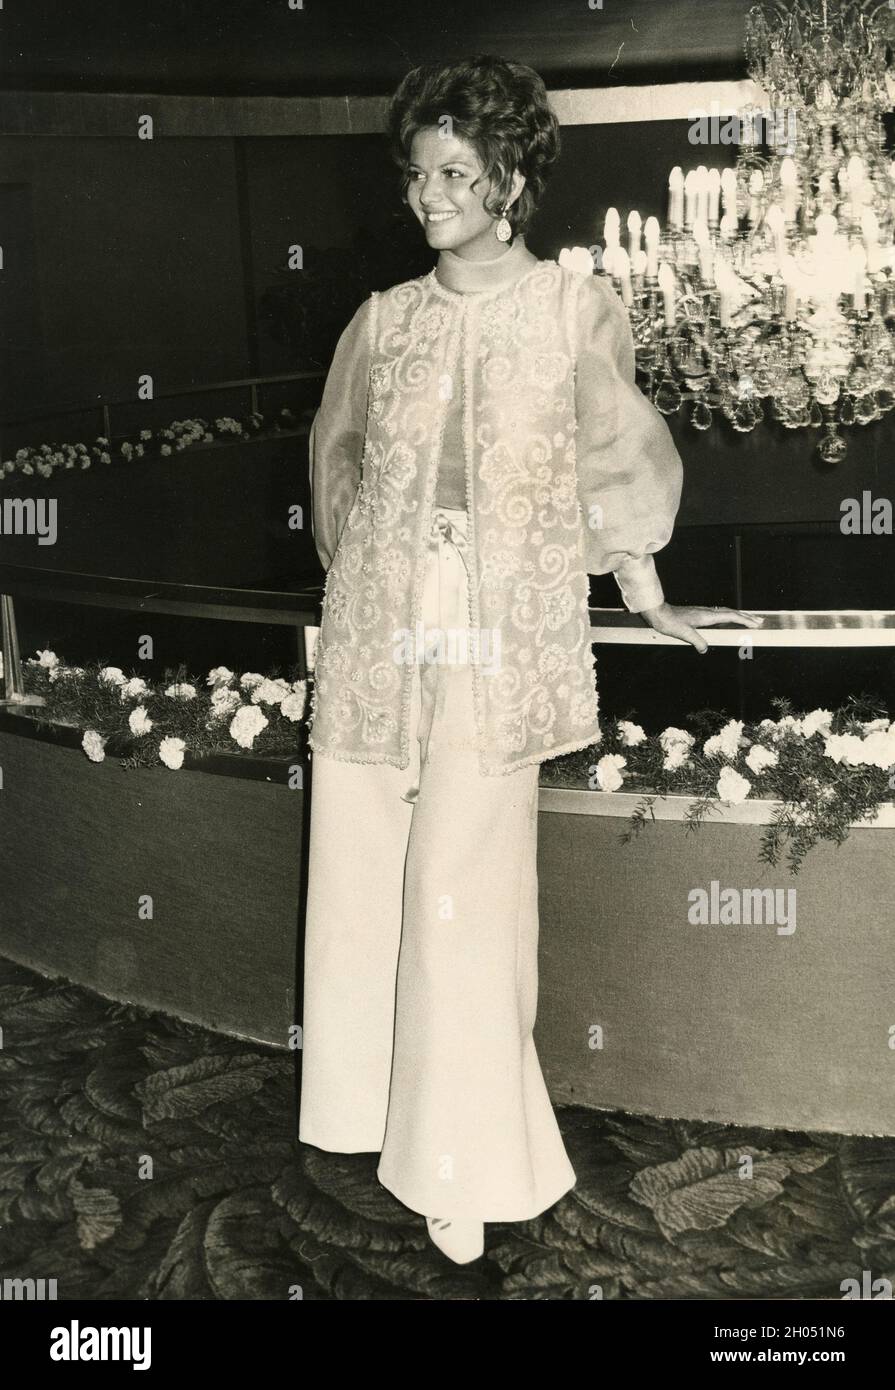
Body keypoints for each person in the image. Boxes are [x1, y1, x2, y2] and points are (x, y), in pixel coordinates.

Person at [298, 53, 762, 1265]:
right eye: (417, 172)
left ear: (510, 178)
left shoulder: (570, 306)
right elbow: (338, 474)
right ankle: (364, 1111)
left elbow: (611, 454)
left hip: (500, 635)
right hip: (379, 631)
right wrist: (366, 609)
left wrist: (646, 591)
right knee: (364, 878)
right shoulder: (382, 320)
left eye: (455, 171)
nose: (427, 194)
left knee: (464, 895)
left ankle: (464, 1162)